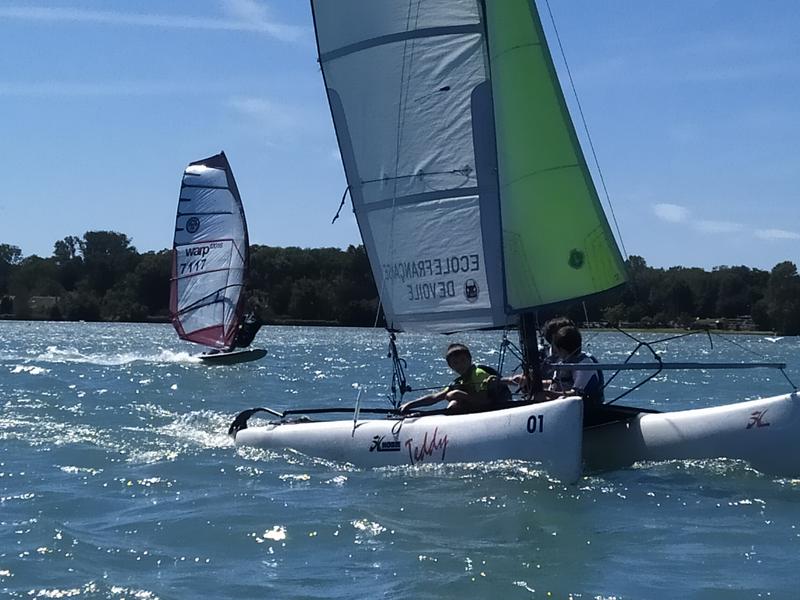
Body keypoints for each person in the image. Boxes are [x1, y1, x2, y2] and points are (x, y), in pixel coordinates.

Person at [399, 343, 509, 415]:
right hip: (477, 411)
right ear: (450, 366)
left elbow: (484, 401)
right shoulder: (459, 382)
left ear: (470, 359)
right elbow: (435, 397)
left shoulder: (478, 373)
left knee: (453, 396)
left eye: (463, 360)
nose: (460, 365)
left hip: (494, 409)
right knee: (452, 401)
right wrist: (410, 404)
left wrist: (459, 394)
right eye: (455, 363)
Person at [546, 324, 604, 407]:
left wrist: (548, 394)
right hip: (562, 406)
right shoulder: (563, 362)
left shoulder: (584, 364)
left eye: (556, 349)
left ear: (562, 349)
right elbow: (554, 383)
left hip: (587, 408)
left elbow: (576, 394)